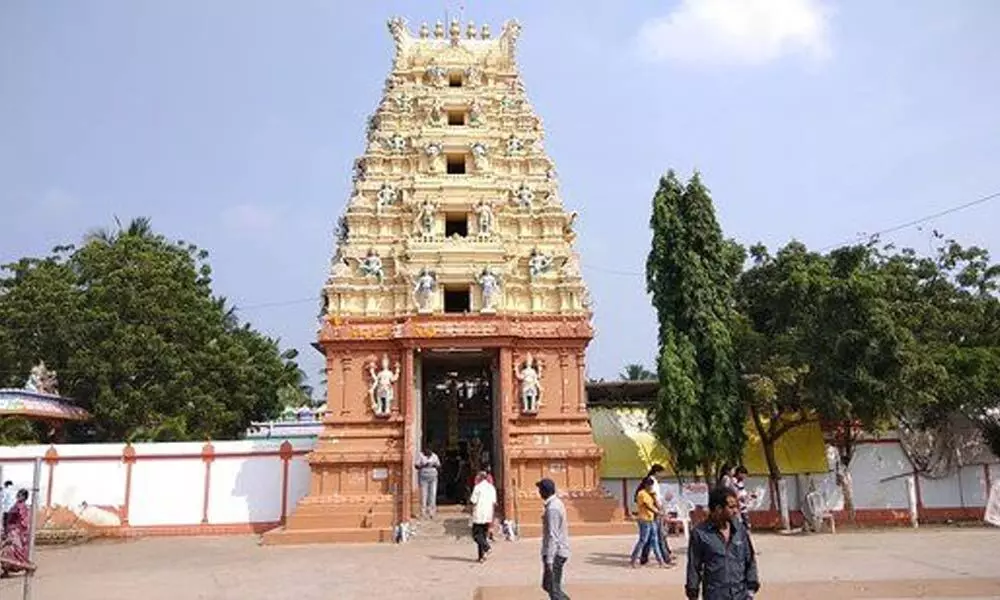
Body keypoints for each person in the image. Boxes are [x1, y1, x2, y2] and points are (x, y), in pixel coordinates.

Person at [685, 486, 760, 600]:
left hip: (740, 595)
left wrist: (751, 589)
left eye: (736, 507)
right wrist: (693, 593)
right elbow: (694, 566)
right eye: (731, 507)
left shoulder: (740, 530)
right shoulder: (700, 533)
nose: (736, 511)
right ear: (718, 508)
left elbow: (750, 559)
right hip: (715, 595)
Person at [537, 478, 570, 600]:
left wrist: (550, 560)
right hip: (555, 551)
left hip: (555, 553)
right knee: (548, 586)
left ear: (545, 491)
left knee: (553, 590)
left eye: (540, 489)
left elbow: (553, 536)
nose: (539, 492)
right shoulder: (554, 504)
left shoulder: (553, 509)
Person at [638, 464, 674, 565]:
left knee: (650, 536)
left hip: (654, 511)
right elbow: (654, 498)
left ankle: (644, 558)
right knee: (659, 535)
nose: (664, 475)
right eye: (662, 472)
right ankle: (666, 559)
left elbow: (657, 497)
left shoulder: (655, 482)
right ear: (657, 472)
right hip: (654, 512)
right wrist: (660, 511)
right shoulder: (651, 481)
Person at [630, 477, 670, 568]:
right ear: (645, 485)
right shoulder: (642, 494)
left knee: (655, 540)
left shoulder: (650, 494)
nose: (650, 487)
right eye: (649, 486)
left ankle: (661, 562)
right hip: (644, 520)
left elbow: (656, 504)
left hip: (651, 519)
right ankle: (633, 559)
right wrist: (658, 512)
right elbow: (648, 506)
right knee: (643, 540)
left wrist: (655, 497)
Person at [1, 489, 34, 578]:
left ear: (25, 497)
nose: (19, 496)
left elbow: (24, 522)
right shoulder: (15, 505)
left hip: (16, 533)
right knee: (6, 552)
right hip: (10, 531)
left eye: (21, 495)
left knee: (16, 552)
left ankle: (28, 567)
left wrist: (17, 531)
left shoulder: (22, 507)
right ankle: (6, 571)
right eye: (18, 494)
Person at [468, 471, 497, 563]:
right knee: (483, 535)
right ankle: (481, 556)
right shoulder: (491, 488)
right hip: (488, 513)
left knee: (476, 535)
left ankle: (486, 547)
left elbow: (473, 500)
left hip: (479, 513)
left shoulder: (478, 487)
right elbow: (494, 501)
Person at [415, 447, 441, 519]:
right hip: (423, 477)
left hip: (433, 477)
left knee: (432, 494)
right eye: (427, 451)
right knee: (424, 494)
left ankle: (431, 512)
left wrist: (433, 465)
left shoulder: (434, 456)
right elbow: (416, 465)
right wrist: (424, 465)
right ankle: (423, 512)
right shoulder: (421, 456)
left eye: (430, 451)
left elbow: (439, 465)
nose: (428, 452)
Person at [733, 466, 756, 530]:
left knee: (746, 525)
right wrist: (742, 497)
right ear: (739, 473)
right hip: (736, 507)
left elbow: (742, 494)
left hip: (742, 507)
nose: (744, 477)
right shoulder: (733, 482)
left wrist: (750, 496)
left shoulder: (740, 483)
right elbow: (735, 495)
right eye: (744, 475)